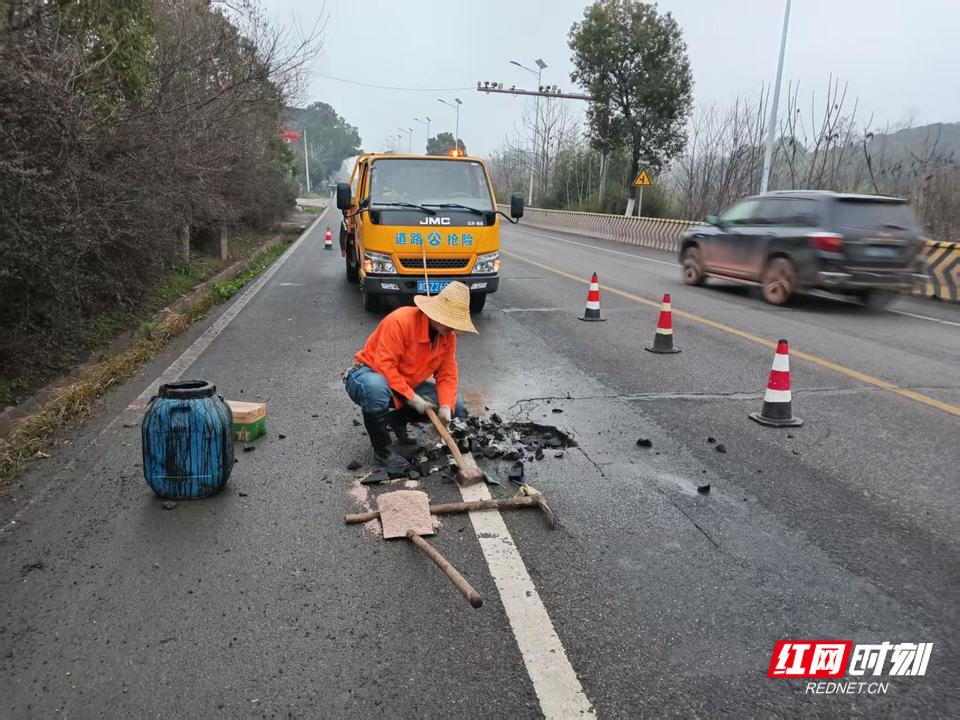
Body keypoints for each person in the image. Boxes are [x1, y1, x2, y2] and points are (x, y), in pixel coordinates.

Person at [344, 281, 476, 474]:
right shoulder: (401, 321)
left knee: (457, 403)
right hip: (367, 374)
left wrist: (446, 407)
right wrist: (412, 398)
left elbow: (447, 374)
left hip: (404, 384)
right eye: (450, 321)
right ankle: (383, 451)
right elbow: (384, 366)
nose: (452, 328)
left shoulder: (448, 337)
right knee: (375, 387)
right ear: (435, 313)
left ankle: (396, 419)